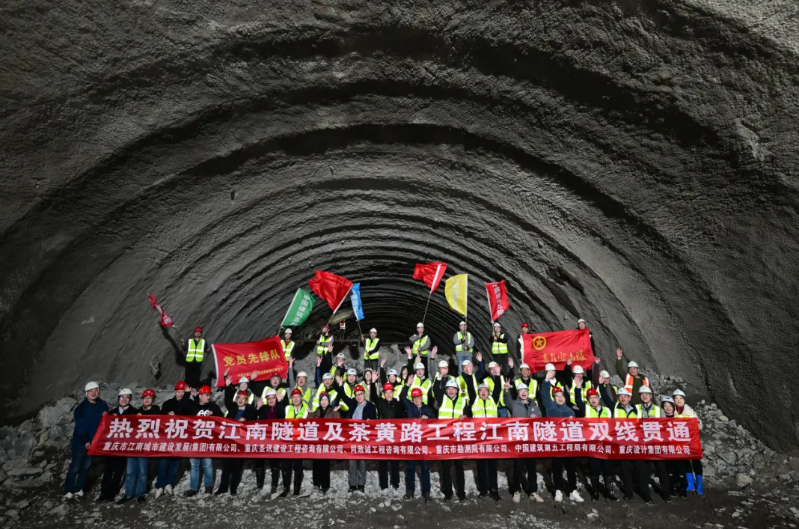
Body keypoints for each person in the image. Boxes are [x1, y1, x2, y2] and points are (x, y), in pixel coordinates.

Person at [541, 376, 583, 503]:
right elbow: (545, 396)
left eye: (561, 395)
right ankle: (558, 490)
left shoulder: (570, 411)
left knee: (571, 467)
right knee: (557, 467)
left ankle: (573, 490)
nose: (559, 397)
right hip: (556, 443)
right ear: (553, 398)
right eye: (556, 396)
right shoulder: (550, 408)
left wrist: (578, 388)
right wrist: (546, 381)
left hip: (568, 443)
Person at [64, 382, 108, 500]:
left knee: (86, 466)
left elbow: (105, 419)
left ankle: (79, 488)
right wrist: (86, 441)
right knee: (76, 466)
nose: (93, 393)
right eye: (91, 391)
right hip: (80, 442)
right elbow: (80, 427)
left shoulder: (102, 404)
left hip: (94, 442)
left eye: (95, 390)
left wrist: (106, 414)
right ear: (86, 393)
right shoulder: (81, 409)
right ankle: (68, 490)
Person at [504, 379, 543, 503]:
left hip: (531, 441)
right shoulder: (514, 404)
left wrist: (536, 418)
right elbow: (506, 400)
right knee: (518, 467)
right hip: (519, 440)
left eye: (525, 390)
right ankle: (516, 490)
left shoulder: (534, 405)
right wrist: (506, 390)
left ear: (528, 392)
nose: (523, 392)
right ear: (518, 393)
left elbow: (541, 419)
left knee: (532, 468)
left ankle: (533, 491)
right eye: (521, 391)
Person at [155, 381, 197, 498]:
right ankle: (160, 485)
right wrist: (167, 415)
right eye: (178, 392)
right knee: (163, 462)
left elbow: (191, 413)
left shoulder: (189, 403)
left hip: (180, 438)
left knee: (175, 463)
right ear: (175, 392)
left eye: (183, 392)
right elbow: (160, 418)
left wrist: (191, 396)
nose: (180, 394)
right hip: (168, 438)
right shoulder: (168, 403)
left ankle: (169, 483)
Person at [576, 388, 618, 502]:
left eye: (595, 397)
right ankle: (595, 493)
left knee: (607, 469)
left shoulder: (607, 410)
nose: (593, 400)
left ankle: (609, 492)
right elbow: (578, 401)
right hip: (593, 444)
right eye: (590, 398)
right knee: (595, 469)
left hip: (605, 444)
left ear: (599, 398)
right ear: (588, 400)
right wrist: (578, 388)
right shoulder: (587, 409)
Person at [613, 388, 653, 504]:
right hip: (623, 445)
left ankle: (646, 495)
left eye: (625, 396)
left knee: (641, 471)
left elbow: (642, 425)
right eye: (620, 396)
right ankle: (628, 493)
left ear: (629, 398)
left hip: (636, 445)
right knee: (626, 472)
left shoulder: (637, 410)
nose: (623, 398)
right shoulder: (615, 409)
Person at [98, 388, 137, 503]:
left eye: (127, 397)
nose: (124, 399)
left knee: (118, 472)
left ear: (130, 399)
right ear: (118, 398)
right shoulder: (111, 413)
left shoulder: (134, 413)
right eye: (122, 397)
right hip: (111, 446)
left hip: (123, 446)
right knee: (108, 471)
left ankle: (112, 494)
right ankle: (103, 494)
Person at [120, 389, 159, 504]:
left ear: (153, 400)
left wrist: (143, 417)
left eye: (149, 398)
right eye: (145, 398)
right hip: (133, 445)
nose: (147, 400)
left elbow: (156, 418)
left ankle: (140, 494)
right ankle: (128, 493)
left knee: (142, 471)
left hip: (144, 445)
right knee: (130, 471)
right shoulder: (136, 412)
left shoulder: (156, 410)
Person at [433, 378, 469, 501]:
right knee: (446, 467)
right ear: (446, 390)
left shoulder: (462, 401)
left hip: (458, 438)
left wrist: (465, 416)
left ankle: (461, 493)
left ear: (457, 390)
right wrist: (439, 377)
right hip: (445, 438)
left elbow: (468, 416)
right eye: (449, 389)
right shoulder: (442, 399)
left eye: (453, 389)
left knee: (459, 467)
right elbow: (435, 389)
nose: (451, 391)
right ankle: (448, 493)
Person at [183, 385, 222, 497]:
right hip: (194, 441)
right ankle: (194, 488)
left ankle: (208, 488)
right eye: (206, 395)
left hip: (207, 441)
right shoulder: (193, 406)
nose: (209, 397)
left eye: (210, 395)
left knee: (208, 465)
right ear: (200, 396)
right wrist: (187, 394)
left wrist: (214, 415)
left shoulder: (213, 407)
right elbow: (183, 409)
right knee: (194, 465)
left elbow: (222, 419)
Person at [216, 390, 256, 495]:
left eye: (243, 398)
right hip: (229, 441)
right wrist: (227, 387)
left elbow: (253, 416)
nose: (240, 400)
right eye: (239, 398)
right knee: (226, 466)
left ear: (246, 401)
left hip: (240, 443)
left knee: (236, 466)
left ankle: (233, 489)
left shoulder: (249, 410)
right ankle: (223, 488)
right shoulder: (232, 409)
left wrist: (246, 418)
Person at [339, 384, 378, 492]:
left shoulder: (371, 407)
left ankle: (361, 484)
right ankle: (352, 485)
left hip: (363, 438)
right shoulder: (352, 403)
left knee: (362, 462)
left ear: (364, 394)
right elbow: (343, 396)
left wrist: (371, 422)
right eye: (356, 395)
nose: (359, 397)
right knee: (352, 462)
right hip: (352, 437)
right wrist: (341, 385)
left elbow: (375, 423)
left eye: (360, 394)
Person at [636, 386, 671, 503]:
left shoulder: (658, 410)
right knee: (643, 472)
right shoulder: (635, 409)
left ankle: (666, 494)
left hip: (656, 445)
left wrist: (656, 421)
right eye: (642, 394)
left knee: (662, 471)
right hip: (642, 445)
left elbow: (666, 427)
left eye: (647, 394)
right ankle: (647, 497)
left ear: (651, 396)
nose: (645, 396)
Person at [399, 386, 433, 502]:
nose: (417, 400)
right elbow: (402, 397)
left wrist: (428, 417)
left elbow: (433, 419)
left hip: (424, 443)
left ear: (422, 398)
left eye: (418, 397)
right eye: (414, 398)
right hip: (412, 442)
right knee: (410, 467)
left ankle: (426, 493)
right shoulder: (410, 407)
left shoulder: (427, 408)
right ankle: (410, 491)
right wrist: (406, 385)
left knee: (425, 468)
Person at [372, 383, 405, 491]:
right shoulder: (380, 402)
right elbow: (373, 396)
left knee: (395, 461)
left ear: (393, 393)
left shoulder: (397, 404)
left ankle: (395, 483)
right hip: (383, 435)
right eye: (387, 392)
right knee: (383, 461)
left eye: (390, 392)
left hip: (394, 436)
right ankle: (384, 485)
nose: (389, 394)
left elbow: (403, 418)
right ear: (384, 394)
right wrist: (372, 383)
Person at [471, 382, 501, 501]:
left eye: (485, 390)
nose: (483, 392)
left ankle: (494, 490)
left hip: (492, 439)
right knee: (481, 466)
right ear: (478, 392)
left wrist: (498, 376)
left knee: (492, 466)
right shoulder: (474, 401)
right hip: (479, 439)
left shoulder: (493, 400)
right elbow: (470, 386)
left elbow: (498, 389)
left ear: (489, 392)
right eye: (481, 390)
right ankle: (483, 490)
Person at [255, 388, 285, 494]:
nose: (271, 400)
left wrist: (280, 402)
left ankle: (274, 485)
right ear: (266, 400)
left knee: (274, 463)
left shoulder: (279, 407)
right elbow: (253, 417)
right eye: (269, 398)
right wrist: (257, 408)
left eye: (273, 398)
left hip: (275, 440)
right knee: (259, 461)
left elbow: (282, 415)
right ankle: (259, 484)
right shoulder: (263, 409)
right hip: (263, 439)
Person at [673, 389, 704, 495]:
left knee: (696, 463)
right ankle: (690, 484)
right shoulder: (673, 412)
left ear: (684, 400)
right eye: (676, 398)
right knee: (686, 463)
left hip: (692, 442)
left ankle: (699, 486)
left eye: (681, 398)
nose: (678, 400)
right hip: (681, 442)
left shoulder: (690, 411)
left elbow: (700, 427)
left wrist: (698, 422)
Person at [309, 393, 339, 493]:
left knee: (325, 463)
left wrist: (335, 413)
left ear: (329, 401)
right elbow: (310, 424)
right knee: (316, 463)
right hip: (317, 441)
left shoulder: (332, 410)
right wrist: (310, 414)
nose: (324, 402)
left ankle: (325, 486)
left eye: (326, 400)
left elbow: (338, 423)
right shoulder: (316, 411)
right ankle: (316, 484)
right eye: (322, 400)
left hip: (327, 441)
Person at [282, 388, 309, 496]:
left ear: (301, 398)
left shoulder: (306, 410)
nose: (296, 399)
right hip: (287, 441)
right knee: (286, 465)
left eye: (298, 397)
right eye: (294, 397)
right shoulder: (287, 408)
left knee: (297, 465)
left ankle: (296, 489)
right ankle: (286, 488)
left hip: (299, 441)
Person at [661, 396, 688, 498]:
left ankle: (683, 489)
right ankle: (672, 488)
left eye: (670, 406)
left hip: (679, 448)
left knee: (681, 470)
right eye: (665, 406)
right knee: (670, 471)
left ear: (673, 407)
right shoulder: (660, 420)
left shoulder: (680, 418)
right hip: (667, 449)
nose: (668, 408)